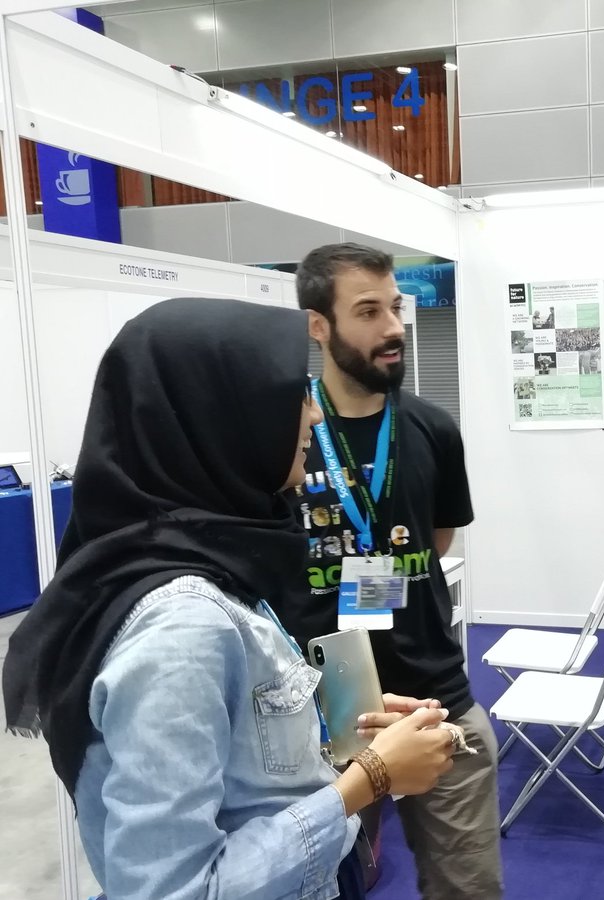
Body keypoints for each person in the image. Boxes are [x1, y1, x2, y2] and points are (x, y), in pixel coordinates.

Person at [1, 297, 455, 900]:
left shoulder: (213, 561)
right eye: (295, 395)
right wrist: (369, 779)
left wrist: (330, 726)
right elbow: (174, 890)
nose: (315, 417)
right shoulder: (182, 626)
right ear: (222, 417)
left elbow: (238, 759)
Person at [284, 244, 502, 899]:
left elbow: (435, 540)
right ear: (318, 325)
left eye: (397, 309)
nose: (394, 328)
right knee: (323, 886)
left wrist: (364, 576)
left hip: (436, 702)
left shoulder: (432, 428)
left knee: (468, 887)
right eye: (369, 311)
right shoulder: (286, 429)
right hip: (317, 718)